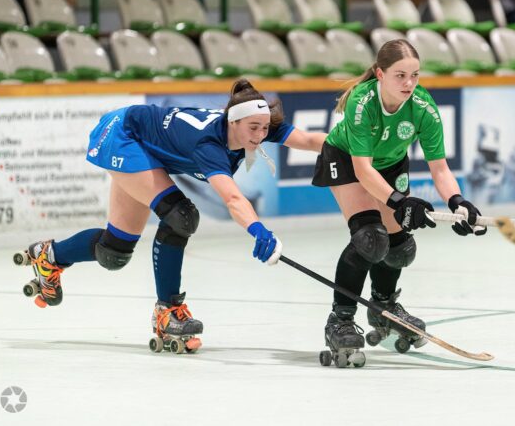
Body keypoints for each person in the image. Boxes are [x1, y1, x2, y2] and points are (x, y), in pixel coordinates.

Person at [16, 79, 327, 352]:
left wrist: (354, 147)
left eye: (264, 129)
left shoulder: (252, 124)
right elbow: (232, 198)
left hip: (144, 142)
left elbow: (312, 141)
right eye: (253, 129)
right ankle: (168, 311)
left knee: (114, 252)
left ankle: (50, 255)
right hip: (124, 135)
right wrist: (258, 229)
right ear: (232, 122)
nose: (260, 136)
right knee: (182, 216)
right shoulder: (209, 145)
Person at [312, 39, 486, 366]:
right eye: (400, 75)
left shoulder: (423, 107)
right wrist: (398, 201)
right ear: (380, 74)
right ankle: (340, 319)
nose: (409, 84)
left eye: (415, 76)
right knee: (369, 239)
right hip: (347, 160)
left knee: (399, 248)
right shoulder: (363, 103)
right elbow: (363, 169)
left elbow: (440, 168)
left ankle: (384, 306)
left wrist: (458, 202)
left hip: (390, 164)